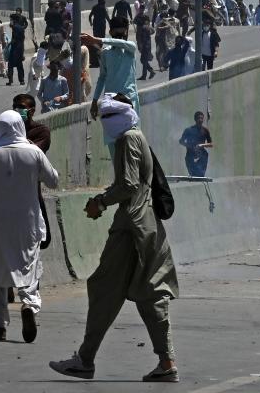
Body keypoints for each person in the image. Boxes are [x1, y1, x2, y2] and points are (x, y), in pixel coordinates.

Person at [49, 94, 180, 382]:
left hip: (130, 227)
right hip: (147, 226)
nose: (103, 125)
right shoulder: (137, 136)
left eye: (104, 118)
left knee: (104, 288)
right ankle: (166, 361)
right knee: (150, 294)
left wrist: (101, 201)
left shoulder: (127, 140)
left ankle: (84, 360)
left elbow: (128, 185)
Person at [0, 111, 58, 343]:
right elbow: (53, 180)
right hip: (27, 224)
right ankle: (29, 305)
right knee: (29, 267)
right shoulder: (34, 152)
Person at [84, 16, 139, 124]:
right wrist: (94, 101)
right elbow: (102, 78)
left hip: (130, 101)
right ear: (110, 32)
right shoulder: (106, 53)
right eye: (117, 35)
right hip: (111, 102)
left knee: (131, 135)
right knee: (112, 138)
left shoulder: (130, 48)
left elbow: (121, 43)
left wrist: (97, 40)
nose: (120, 38)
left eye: (122, 34)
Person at [179, 111, 212, 177]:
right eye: (198, 118)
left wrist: (201, 145)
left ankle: (200, 174)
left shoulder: (205, 130)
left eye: (201, 118)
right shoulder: (189, 130)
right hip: (190, 155)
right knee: (193, 173)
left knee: (200, 174)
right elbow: (181, 141)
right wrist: (189, 146)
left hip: (201, 155)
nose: (200, 120)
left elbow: (210, 144)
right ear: (195, 119)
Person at [6, 8, 28, 85]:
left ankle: (10, 80)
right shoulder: (21, 28)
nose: (10, 21)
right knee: (19, 65)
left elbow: (14, 39)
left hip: (15, 48)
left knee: (10, 64)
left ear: (13, 20)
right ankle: (21, 80)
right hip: (20, 48)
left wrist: (9, 43)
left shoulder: (15, 28)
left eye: (11, 20)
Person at [137, 16, 156, 81]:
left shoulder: (143, 27)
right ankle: (150, 71)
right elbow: (153, 31)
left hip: (145, 46)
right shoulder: (147, 26)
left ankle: (145, 75)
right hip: (148, 45)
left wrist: (140, 46)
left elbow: (140, 38)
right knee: (143, 60)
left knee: (143, 60)